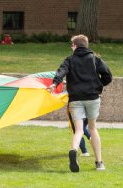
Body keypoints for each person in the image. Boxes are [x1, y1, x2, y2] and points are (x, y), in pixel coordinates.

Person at [47, 34, 113, 172]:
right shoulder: (95, 59)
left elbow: (61, 72)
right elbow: (108, 75)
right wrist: (99, 85)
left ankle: (74, 150)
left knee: (78, 130)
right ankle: (99, 163)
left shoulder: (69, 60)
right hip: (92, 98)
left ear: (75, 46)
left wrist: (54, 84)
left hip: (75, 99)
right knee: (93, 128)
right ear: (86, 45)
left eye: (71, 45)